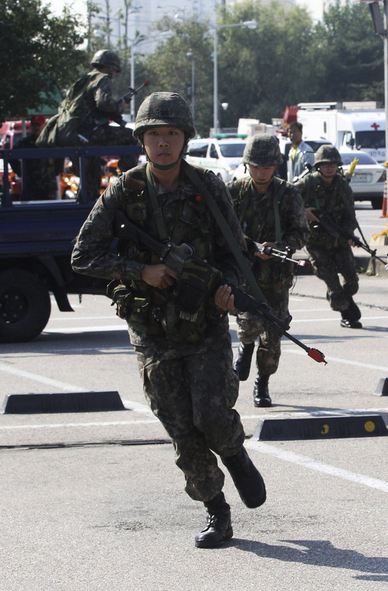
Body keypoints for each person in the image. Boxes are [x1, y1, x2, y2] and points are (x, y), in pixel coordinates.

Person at [71, 92, 266, 549]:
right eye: (155, 134)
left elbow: (234, 255)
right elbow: (83, 255)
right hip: (153, 332)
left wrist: (229, 294)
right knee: (182, 430)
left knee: (213, 416)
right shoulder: (124, 191)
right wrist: (141, 272)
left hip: (204, 324)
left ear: (185, 139)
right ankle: (217, 512)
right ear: (142, 140)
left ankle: (235, 454)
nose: (163, 143)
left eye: (172, 133)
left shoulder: (208, 187)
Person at [228, 134, 310, 408]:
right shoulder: (235, 192)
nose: (260, 172)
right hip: (246, 274)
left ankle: (262, 384)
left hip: (276, 277)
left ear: (276, 167)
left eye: (266, 167)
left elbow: (301, 234)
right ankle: (245, 346)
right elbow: (221, 230)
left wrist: (279, 246)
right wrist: (246, 247)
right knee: (249, 322)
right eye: (255, 166)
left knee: (273, 339)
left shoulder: (288, 194)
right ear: (246, 165)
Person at [38, 50, 139, 199]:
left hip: (73, 136)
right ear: (110, 68)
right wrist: (119, 107)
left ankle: (85, 208)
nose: (113, 74)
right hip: (88, 133)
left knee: (90, 180)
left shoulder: (83, 80)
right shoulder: (102, 78)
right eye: (114, 71)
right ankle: (129, 183)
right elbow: (103, 103)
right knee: (131, 138)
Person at [295, 145, 364, 329]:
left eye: (333, 164)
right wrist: (304, 213)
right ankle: (346, 313)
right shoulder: (307, 183)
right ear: (319, 166)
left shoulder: (342, 187)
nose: (329, 168)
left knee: (352, 281)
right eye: (325, 164)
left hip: (338, 241)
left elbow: (350, 216)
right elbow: (285, 200)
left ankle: (345, 300)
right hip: (315, 242)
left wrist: (349, 235)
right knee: (332, 282)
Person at [6, 115, 64, 200]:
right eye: (34, 125)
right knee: (33, 211)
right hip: (31, 186)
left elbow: (60, 155)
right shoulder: (25, 143)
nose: (36, 128)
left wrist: (56, 171)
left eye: (39, 125)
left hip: (48, 186)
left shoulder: (50, 142)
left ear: (44, 125)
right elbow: (11, 156)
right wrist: (21, 171)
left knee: (49, 210)